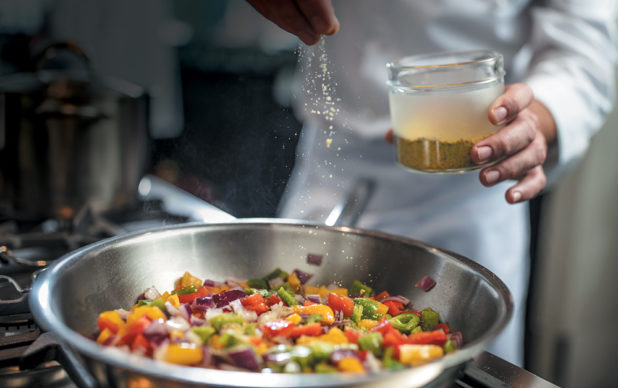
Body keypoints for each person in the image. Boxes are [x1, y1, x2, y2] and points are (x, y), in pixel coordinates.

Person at [246, 0, 617, 366]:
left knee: (465, 374)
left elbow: (584, 54)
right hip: (332, 163)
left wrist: (536, 118)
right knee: (286, 351)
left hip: (467, 192)